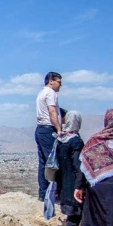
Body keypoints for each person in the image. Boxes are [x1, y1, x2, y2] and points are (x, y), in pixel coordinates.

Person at [54, 110, 85, 226]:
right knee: (74, 217)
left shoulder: (61, 139)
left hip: (63, 183)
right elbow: (78, 165)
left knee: (72, 216)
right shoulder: (76, 141)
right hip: (74, 184)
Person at [35, 72, 62, 201]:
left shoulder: (41, 93)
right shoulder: (51, 93)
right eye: (58, 82)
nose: (60, 85)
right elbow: (52, 111)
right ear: (51, 81)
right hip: (48, 129)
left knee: (43, 163)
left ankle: (43, 193)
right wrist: (59, 129)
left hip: (40, 129)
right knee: (53, 162)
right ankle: (53, 195)